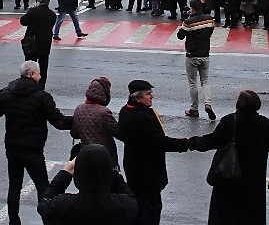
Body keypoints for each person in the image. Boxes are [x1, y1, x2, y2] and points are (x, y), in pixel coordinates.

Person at [188, 90, 269, 225]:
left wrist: (189, 143)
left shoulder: (230, 122)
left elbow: (211, 141)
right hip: (253, 186)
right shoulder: (264, 124)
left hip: (228, 181)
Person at [0, 60, 73, 225]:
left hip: (12, 148)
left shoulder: (5, 93)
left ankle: (14, 221)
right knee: (43, 187)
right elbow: (58, 122)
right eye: (39, 73)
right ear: (32, 74)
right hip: (33, 149)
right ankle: (47, 220)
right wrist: (77, 121)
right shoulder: (42, 97)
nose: (40, 76)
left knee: (14, 186)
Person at [117, 79, 188, 225]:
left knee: (140, 205)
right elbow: (160, 142)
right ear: (137, 97)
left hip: (134, 167)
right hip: (147, 172)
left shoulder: (126, 110)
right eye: (148, 94)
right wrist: (187, 143)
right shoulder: (142, 118)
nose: (152, 97)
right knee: (151, 208)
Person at [36, 144, 139, 225]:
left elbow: (43, 205)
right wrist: (113, 173)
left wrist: (65, 173)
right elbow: (132, 198)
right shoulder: (124, 205)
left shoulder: (63, 205)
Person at [178, 0, 215, 120]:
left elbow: (180, 36)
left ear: (191, 8)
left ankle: (194, 108)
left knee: (193, 82)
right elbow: (210, 32)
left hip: (192, 55)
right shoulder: (209, 19)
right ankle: (208, 103)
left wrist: (184, 21)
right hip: (205, 54)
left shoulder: (189, 22)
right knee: (205, 81)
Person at [71, 76, 120, 163]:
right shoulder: (104, 112)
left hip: (84, 153)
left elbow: (75, 134)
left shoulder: (79, 108)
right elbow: (117, 132)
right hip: (103, 155)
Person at [20, 0, 57, 86]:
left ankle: (28, 85)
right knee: (43, 68)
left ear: (38, 1)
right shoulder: (52, 15)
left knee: (30, 66)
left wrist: (29, 11)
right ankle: (41, 86)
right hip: (45, 44)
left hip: (32, 43)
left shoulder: (33, 11)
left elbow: (23, 21)